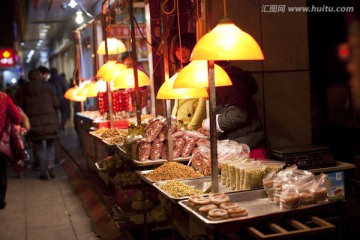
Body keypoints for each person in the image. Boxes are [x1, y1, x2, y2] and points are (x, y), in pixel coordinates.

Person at [201, 61, 267, 159]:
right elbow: (226, 112)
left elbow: (238, 114)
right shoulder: (219, 80)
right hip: (239, 144)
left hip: (249, 148)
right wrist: (212, 130)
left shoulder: (225, 82)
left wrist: (212, 123)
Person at [17, 69, 60, 180]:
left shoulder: (24, 89)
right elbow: (56, 103)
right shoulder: (48, 87)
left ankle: (43, 171)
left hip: (33, 123)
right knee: (51, 144)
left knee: (38, 148)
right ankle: (50, 166)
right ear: (40, 76)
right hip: (50, 121)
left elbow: (20, 108)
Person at [170, 32, 207, 130]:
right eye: (178, 50)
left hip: (193, 123)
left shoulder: (199, 69)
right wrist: (172, 120)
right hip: (180, 123)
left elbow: (203, 100)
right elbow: (177, 100)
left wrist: (193, 126)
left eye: (185, 49)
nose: (182, 54)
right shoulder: (179, 70)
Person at [0, 91, 22, 209]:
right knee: (1, 171)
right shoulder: (3, 97)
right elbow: (17, 117)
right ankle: (1, 199)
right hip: (1, 143)